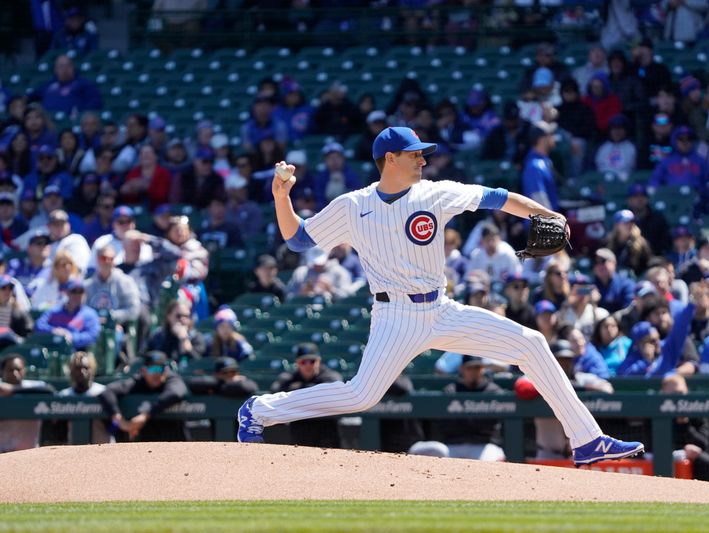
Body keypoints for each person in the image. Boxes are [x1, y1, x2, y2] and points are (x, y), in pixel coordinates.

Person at [238, 125, 644, 466]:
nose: (423, 159)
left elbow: (498, 197)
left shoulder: (435, 193)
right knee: (361, 395)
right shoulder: (353, 205)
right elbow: (297, 239)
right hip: (394, 316)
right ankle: (258, 411)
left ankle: (588, 440)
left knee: (532, 344)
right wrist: (281, 195)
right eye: (414, 153)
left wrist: (546, 214)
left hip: (441, 308)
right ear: (390, 159)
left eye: (422, 153)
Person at [99, 351, 189, 442]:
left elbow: (176, 393)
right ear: (143, 370)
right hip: (146, 443)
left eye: (160, 369)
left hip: (175, 441)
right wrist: (120, 421)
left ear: (166, 370)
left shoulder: (172, 379)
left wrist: (145, 416)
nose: (156, 373)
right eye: (152, 369)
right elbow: (108, 392)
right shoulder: (139, 381)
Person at [269, 343, 343, 448]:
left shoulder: (327, 374)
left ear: (319, 361)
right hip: (300, 429)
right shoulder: (290, 377)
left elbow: (335, 385)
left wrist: (297, 389)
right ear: (297, 363)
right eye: (303, 362)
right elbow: (275, 390)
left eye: (312, 361)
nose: (308, 365)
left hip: (326, 429)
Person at [661, 375, 709, 481]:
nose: (677, 397)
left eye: (680, 393)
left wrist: (685, 424)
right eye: (672, 394)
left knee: (705, 460)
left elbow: (703, 443)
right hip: (663, 453)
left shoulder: (696, 409)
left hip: (690, 454)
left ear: (686, 391)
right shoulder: (657, 409)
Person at [0, 353, 55, 452]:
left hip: (29, 454)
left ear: (24, 370)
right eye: (10, 370)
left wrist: (12, 390)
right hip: (3, 454)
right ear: (2, 371)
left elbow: (49, 390)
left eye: (18, 369)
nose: (15, 373)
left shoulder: (34, 387)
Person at [57, 351, 111, 444]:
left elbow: (117, 427)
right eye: (77, 368)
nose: (82, 371)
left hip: (103, 449)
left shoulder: (103, 392)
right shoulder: (64, 396)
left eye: (85, 368)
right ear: (71, 370)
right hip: (74, 451)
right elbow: (58, 431)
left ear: (92, 369)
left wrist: (110, 426)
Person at [35, 278, 101, 350]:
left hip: (76, 353)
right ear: (67, 293)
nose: (77, 295)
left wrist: (72, 337)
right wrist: (53, 330)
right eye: (74, 291)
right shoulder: (54, 311)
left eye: (81, 292)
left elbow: (93, 335)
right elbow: (39, 325)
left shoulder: (90, 314)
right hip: (52, 349)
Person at [28, 54, 102, 114]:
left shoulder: (83, 83)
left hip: (71, 123)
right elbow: (30, 97)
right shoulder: (49, 85)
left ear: (73, 67)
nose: (65, 69)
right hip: (48, 123)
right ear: (55, 70)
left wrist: (80, 112)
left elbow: (95, 101)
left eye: (68, 66)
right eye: (61, 66)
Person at [147, 300, 206, 365]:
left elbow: (197, 363)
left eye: (186, 316)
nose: (182, 319)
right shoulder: (158, 335)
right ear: (169, 316)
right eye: (179, 316)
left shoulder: (196, 337)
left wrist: (184, 339)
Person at [187, 356, 258, 397]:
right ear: (216, 374)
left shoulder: (242, 382)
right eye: (225, 372)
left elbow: (248, 387)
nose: (230, 375)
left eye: (233, 371)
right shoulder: (213, 384)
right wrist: (222, 383)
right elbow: (193, 383)